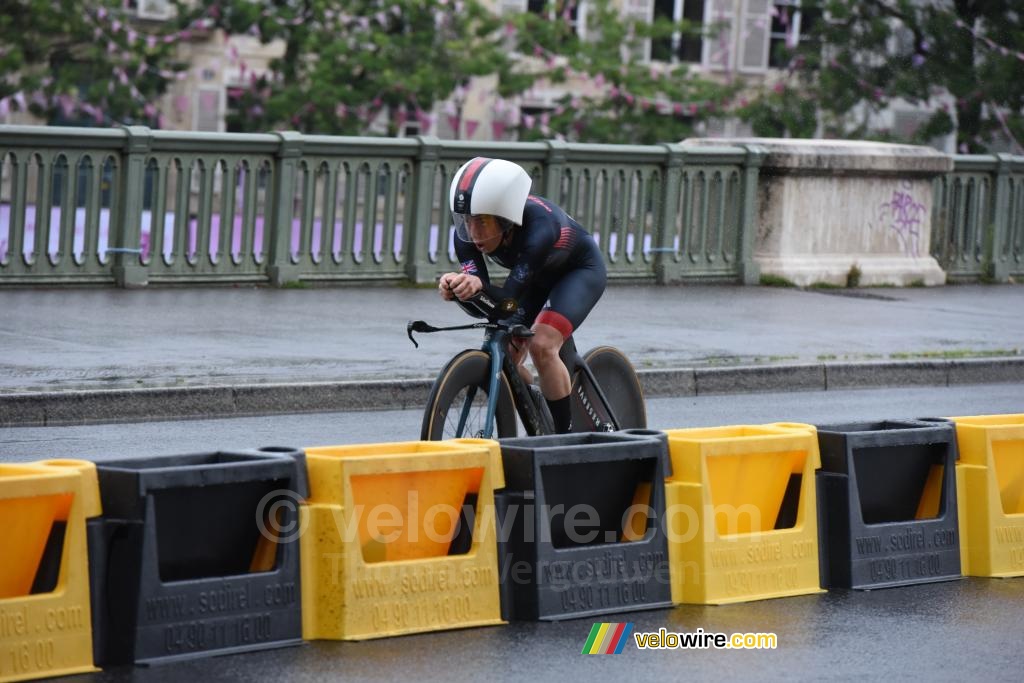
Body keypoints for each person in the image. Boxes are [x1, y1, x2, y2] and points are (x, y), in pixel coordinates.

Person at [438, 157, 607, 433]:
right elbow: (488, 305)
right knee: (504, 359)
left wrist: (477, 289)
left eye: (481, 221)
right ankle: (541, 402)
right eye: (467, 221)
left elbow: (506, 302)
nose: (472, 232)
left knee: (542, 345)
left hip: (578, 273)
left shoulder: (539, 228)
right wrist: (457, 290)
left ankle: (562, 439)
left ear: (506, 220)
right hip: (533, 277)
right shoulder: (466, 238)